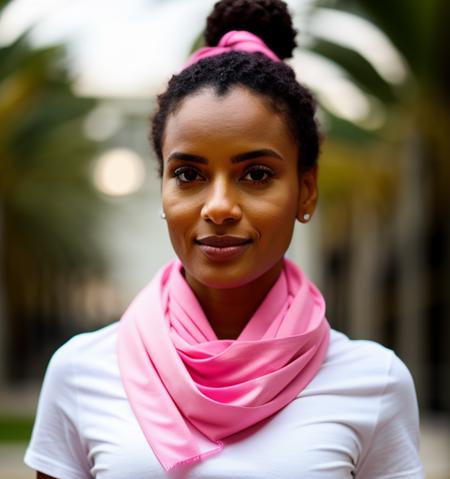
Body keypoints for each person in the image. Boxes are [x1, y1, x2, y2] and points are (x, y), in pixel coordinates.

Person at [24, 0, 424, 477]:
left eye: (256, 174)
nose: (217, 206)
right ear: (163, 189)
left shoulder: (372, 383)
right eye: (188, 174)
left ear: (306, 190)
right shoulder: (80, 372)